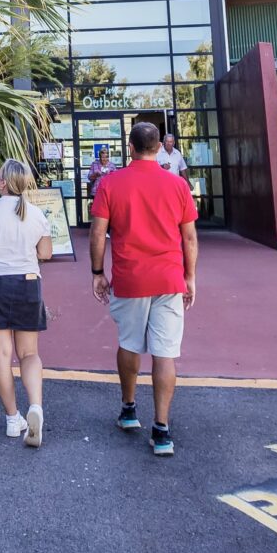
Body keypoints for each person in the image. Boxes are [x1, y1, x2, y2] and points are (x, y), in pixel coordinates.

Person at [89, 121, 198, 457]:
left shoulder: (110, 183)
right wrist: (190, 276)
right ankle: (161, 429)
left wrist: (97, 272)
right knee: (165, 353)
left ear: (130, 148)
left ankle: (129, 409)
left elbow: (97, 233)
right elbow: (189, 237)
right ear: (159, 147)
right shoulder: (177, 185)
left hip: (130, 279)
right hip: (169, 278)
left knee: (129, 343)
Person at [0, 158, 53, 448]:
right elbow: (46, 253)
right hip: (27, 284)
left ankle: (13, 418)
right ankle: (36, 406)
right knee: (29, 353)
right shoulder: (37, 214)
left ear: (3, 182)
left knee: (2, 355)